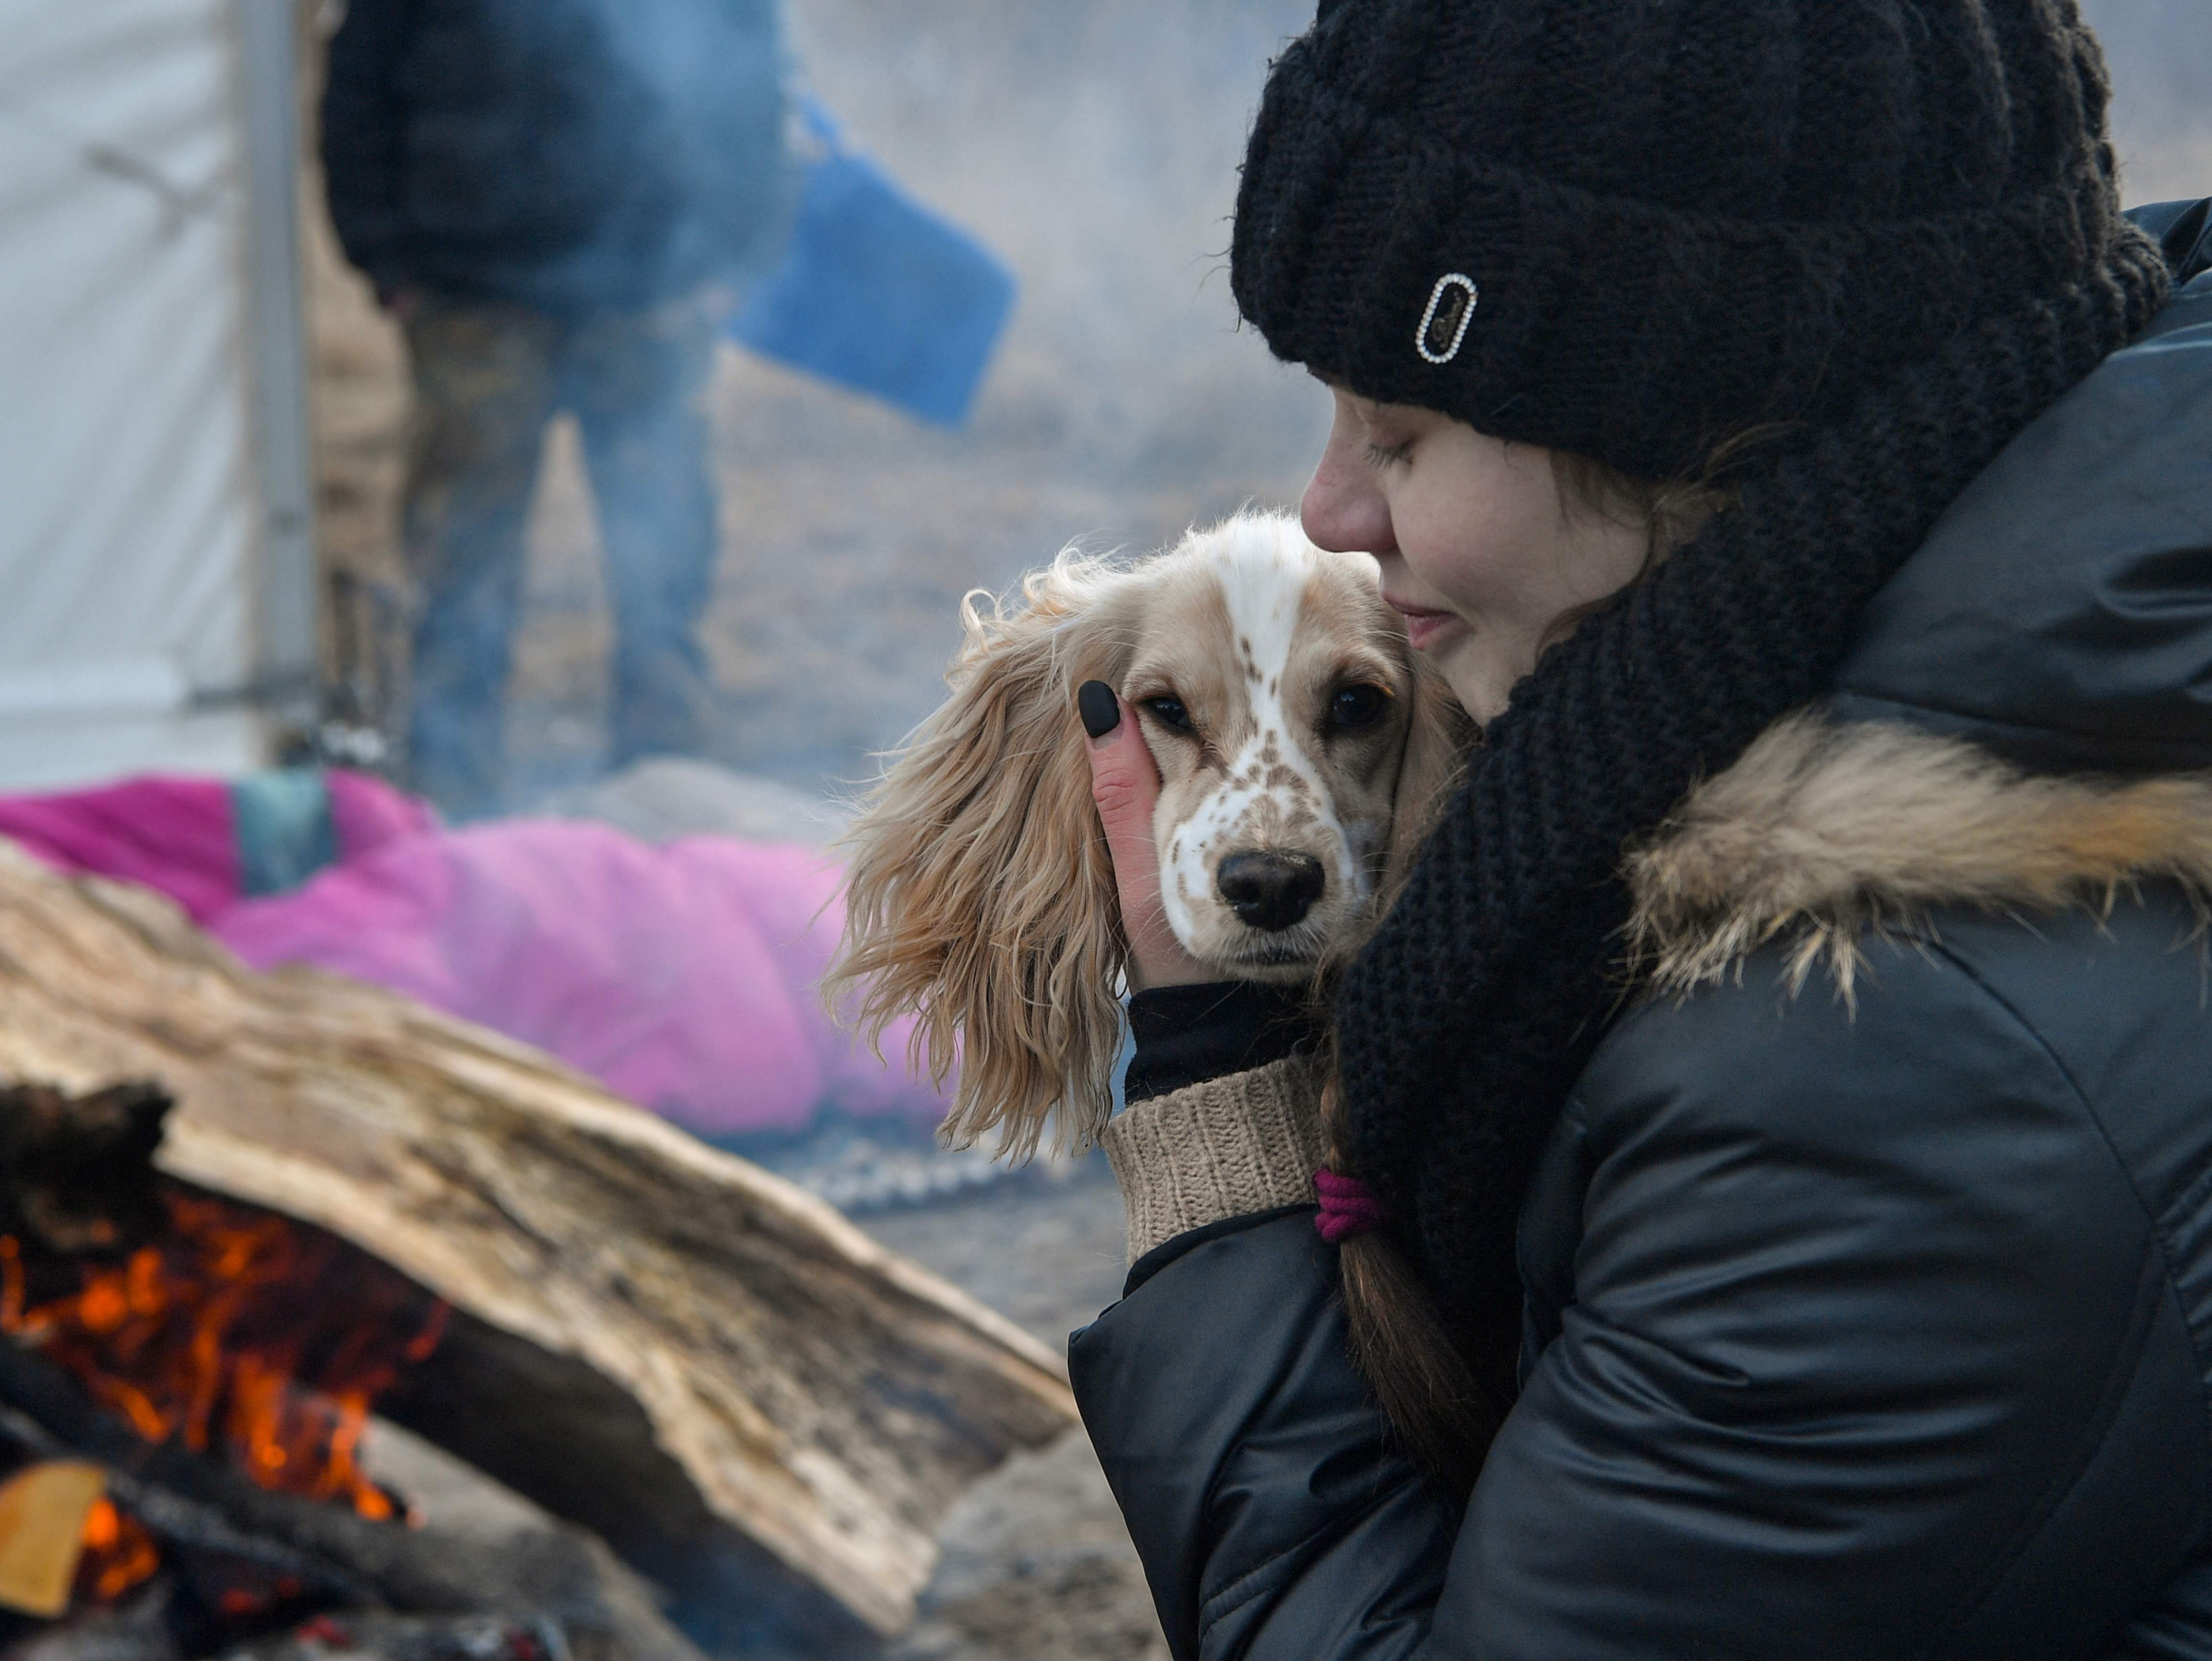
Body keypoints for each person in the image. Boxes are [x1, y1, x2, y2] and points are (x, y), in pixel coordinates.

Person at [1066, 2, 2212, 1654]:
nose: (1328, 509)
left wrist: (1214, 1105)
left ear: (1695, 429)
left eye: (1398, 432)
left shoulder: (1889, 1064)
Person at [320, 0, 789, 819]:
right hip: (474, 300)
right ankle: (449, 802)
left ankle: (669, 797)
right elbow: (358, 88)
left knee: (663, 565)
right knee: (461, 564)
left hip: (651, 298)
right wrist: (385, 257)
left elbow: (755, 90)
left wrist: (733, 258)